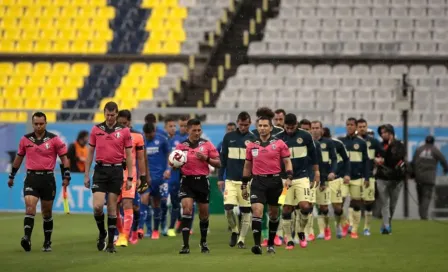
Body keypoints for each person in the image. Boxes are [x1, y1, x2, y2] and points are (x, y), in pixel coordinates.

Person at [7, 112, 71, 252]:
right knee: (30, 207)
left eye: (41, 124)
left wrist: (66, 175)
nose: (38, 126)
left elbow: (64, 157)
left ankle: (47, 242)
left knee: (46, 212)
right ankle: (26, 238)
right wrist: (12, 175)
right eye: (36, 124)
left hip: (48, 179)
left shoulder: (54, 140)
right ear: (32, 124)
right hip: (31, 178)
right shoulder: (25, 139)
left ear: (46, 123)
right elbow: (19, 158)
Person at [84, 101, 134, 253]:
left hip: (116, 171)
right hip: (100, 170)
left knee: (112, 207)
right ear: (104, 113)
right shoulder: (96, 130)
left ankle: (111, 244)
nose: (110, 117)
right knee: (98, 206)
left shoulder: (124, 131)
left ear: (117, 114)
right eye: (108, 114)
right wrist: (87, 174)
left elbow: (129, 156)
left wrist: (130, 177)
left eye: (113, 115)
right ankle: (102, 232)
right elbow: (90, 152)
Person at [242, 116, 292, 255]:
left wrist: (289, 177)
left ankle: (271, 244)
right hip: (258, 181)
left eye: (265, 126)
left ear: (271, 128)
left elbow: (287, 161)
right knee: (257, 211)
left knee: (273, 214)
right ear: (257, 127)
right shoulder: (252, 145)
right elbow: (247, 165)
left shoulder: (280, 143)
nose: (262, 128)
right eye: (260, 126)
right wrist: (244, 183)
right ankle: (257, 245)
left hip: (275, 182)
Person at [173, 119, 221, 254]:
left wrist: (206, 159)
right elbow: (174, 165)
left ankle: (203, 242)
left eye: (199, 130)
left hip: (202, 182)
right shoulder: (181, 146)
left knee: (204, 214)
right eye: (194, 130)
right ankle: (185, 245)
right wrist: (175, 164)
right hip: (187, 181)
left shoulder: (207, 144)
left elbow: (218, 163)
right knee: (187, 210)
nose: (197, 132)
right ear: (188, 130)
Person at [279, 114, 318, 250]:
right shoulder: (278, 138)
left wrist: (316, 172)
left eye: (292, 127)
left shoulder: (306, 136)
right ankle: (289, 239)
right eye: (287, 127)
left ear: (297, 124)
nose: (289, 130)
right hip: (284, 179)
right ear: (284, 125)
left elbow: (313, 155)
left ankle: (301, 231)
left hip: (302, 177)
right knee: (286, 209)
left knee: (305, 206)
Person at [218, 112, 256, 248]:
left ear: (250, 124)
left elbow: (256, 162)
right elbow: (223, 159)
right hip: (230, 180)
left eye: (246, 125)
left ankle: (241, 239)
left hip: (246, 182)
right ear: (237, 122)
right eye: (241, 124)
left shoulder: (253, 139)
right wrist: (220, 178)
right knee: (228, 208)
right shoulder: (229, 137)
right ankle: (234, 231)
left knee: (246, 211)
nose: (244, 127)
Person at [251, 107, 284, 246]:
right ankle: (265, 235)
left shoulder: (281, 133)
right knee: (259, 208)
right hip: (258, 175)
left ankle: (279, 234)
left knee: (277, 207)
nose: (262, 124)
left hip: (279, 175)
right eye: (259, 119)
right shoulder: (253, 134)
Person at [115, 110, 147, 247]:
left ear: (129, 122)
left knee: (129, 204)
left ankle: (125, 236)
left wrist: (143, 176)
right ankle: (121, 232)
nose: (123, 126)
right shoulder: (111, 135)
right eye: (120, 123)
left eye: (125, 123)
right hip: (114, 175)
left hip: (130, 175)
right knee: (114, 207)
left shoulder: (137, 136)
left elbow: (140, 158)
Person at [338, 117, 370, 239]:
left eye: (352, 124)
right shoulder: (341, 142)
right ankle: (345, 224)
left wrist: (366, 177)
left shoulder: (361, 143)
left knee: (356, 204)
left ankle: (355, 229)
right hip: (343, 178)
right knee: (339, 204)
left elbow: (366, 161)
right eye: (348, 124)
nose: (349, 126)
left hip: (357, 177)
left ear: (356, 127)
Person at [141, 122, 171, 240]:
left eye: (151, 134)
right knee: (144, 201)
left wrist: (168, 169)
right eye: (147, 135)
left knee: (157, 204)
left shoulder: (162, 140)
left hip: (160, 178)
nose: (149, 137)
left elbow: (169, 154)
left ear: (154, 131)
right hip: (145, 177)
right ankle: (147, 229)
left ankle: (155, 230)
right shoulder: (142, 141)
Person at [376, 124, 406, 234]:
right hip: (382, 177)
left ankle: (385, 224)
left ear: (391, 133)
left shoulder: (399, 145)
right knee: (385, 203)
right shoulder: (379, 145)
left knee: (392, 205)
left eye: (385, 132)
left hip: (396, 179)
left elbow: (398, 158)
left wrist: (388, 151)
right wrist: (376, 159)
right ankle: (387, 227)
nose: (382, 134)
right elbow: (375, 156)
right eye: (381, 133)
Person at [310, 121, 338, 241]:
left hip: (324, 178)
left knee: (324, 207)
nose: (315, 130)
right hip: (310, 179)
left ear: (322, 129)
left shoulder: (329, 143)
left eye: (317, 128)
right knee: (308, 206)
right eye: (313, 128)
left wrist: (331, 172)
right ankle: (311, 232)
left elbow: (334, 159)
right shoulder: (308, 143)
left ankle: (325, 229)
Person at [357, 118, 384, 236]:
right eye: (360, 126)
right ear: (357, 128)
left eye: (364, 126)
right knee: (355, 202)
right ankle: (352, 226)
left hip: (369, 175)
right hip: (355, 176)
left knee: (368, 202)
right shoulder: (352, 141)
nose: (362, 128)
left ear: (367, 127)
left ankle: (366, 228)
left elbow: (383, 154)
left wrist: (380, 159)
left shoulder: (373, 142)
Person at [322, 127, 351, 238]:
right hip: (322, 179)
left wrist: (347, 173)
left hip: (335, 178)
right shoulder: (314, 143)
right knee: (323, 207)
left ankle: (339, 225)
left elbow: (346, 159)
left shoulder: (337, 144)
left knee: (337, 207)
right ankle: (325, 229)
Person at [411, 135, 448, 220]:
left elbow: (413, 162)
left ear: (425, 141)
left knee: (420, 197)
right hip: (429, 178)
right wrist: (445, 169)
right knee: (426, 197)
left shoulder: (419, 149)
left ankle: (422, 214)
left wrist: (412, 174)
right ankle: (424, 216)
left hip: (419, 177)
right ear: (433, 142)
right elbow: (443, 160)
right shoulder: (435, 150)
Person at [165, 117, 188, 237]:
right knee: (171, 201)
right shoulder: (167, 139)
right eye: (172, 126)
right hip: (170, 174)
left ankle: (173, 226)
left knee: (183, 201)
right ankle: (177, 222)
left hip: (182, 174)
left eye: (175, 126)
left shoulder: (184, 140)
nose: (174, 128)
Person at [299, 119, 319, 241]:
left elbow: (318, 162)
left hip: (310, 178)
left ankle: (309, 231)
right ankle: (297, 231)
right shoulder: (294, 143)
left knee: (308, 205)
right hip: (297, 179)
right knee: (295, 207)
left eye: (307, 129)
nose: (305, 132)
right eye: (303, 129)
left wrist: (317, 176)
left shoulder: (314, 145)